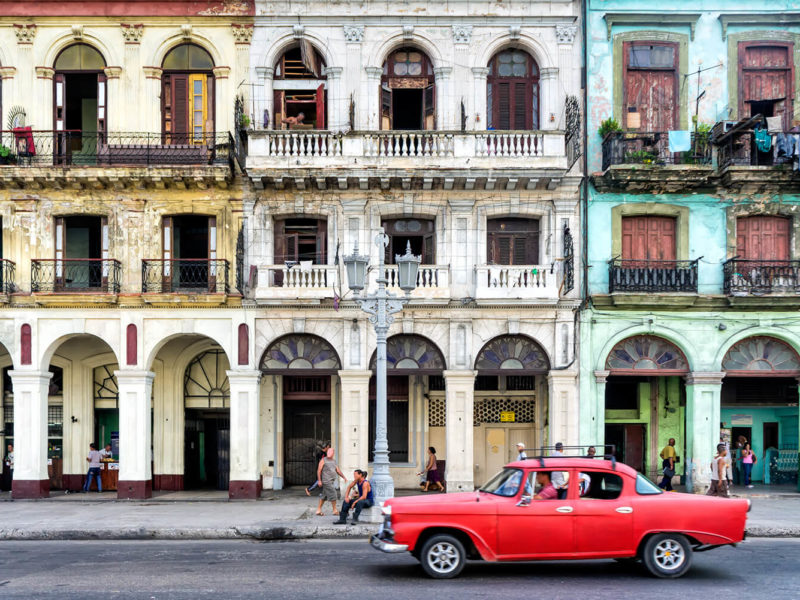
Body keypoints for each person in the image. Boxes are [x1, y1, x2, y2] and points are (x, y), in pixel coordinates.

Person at [315, 447, 346, 516]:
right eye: (328, 452)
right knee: (334, 493)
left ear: (333, 453)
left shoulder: (334, 461)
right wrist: (319, 480)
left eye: (331, 452)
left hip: (331, 481)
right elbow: (319, 470)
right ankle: (334, 510)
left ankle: (318, 510)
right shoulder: (323, 460)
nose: (329, 453)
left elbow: (338, 470)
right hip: (326, 481)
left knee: (324, 496)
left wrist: (344, 477)